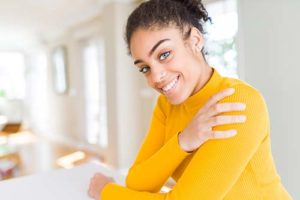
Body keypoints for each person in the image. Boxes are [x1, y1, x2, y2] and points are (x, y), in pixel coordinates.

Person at [88, 0, 292, 199]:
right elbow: (137, 181)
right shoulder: (166, 106)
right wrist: (183, 141)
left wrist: (107, 191)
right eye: (145, 68)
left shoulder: (238, 102)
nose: (155, 77)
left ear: (195, 40)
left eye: (164, 54)